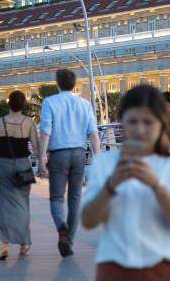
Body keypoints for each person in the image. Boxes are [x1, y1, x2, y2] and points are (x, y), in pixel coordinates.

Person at [81, 85, 170, 281]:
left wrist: (156, 186)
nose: (139, 129)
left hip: (162, 266)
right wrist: (110, 186)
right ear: (122, 123)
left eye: (148, 122)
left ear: (161, 123)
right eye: (132, 121)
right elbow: (88, 221)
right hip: (113, 265)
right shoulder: (105, 162)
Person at [38, 69, 101, 257]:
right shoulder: (84, 104)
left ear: (57, 83)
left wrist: (42, 158)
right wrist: (97, 159)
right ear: (74, 84)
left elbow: (45, 132)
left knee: (56, 198)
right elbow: (93, 134)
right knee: (75, 199)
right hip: (80, 154)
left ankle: (61, 226)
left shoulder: (49, 102)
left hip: (58, 154)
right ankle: (69, 241)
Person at [0, 90, 39, 259]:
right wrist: (43, 165)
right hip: (23, 165)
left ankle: (4, 245)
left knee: (4, 206)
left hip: (4, 166)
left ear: (8, 104)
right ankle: (23, 244)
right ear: (23, 105)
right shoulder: (28, 122)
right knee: (23, 205)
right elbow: (36, 149)